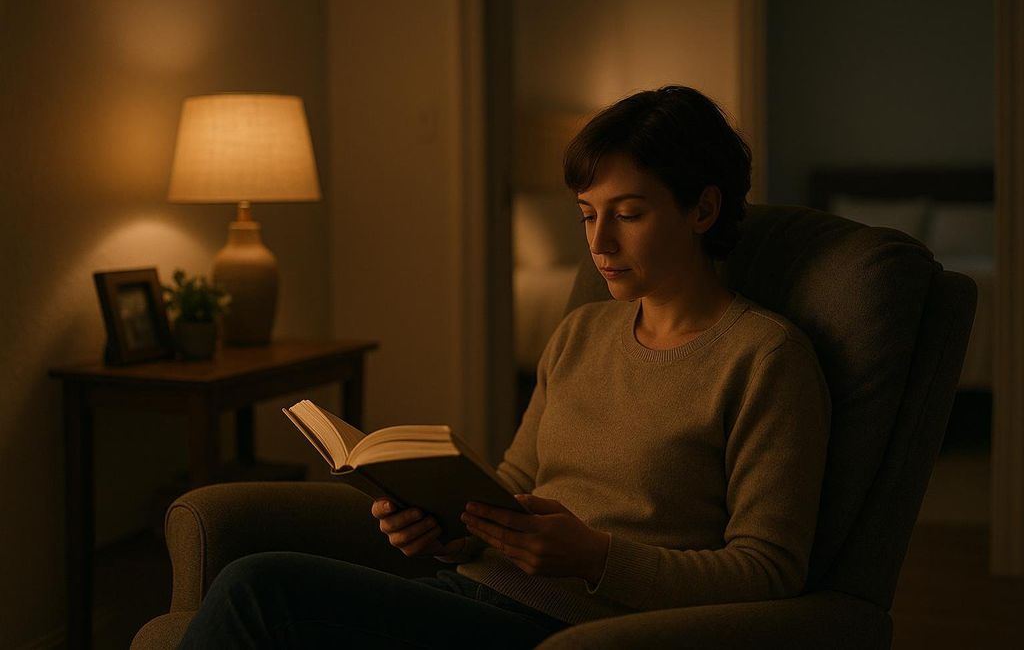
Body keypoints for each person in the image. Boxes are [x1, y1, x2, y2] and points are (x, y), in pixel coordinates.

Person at [178, 86, 830, 648]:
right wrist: (441, 530)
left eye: (628, 214)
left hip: (581, 629)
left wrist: (598, 558)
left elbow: (768, 569)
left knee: (256, 586)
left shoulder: (765, 358)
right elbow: (513, 483)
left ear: (703, 210)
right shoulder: (581, 331)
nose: (599, 243)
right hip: (473, 591)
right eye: (587, 215)